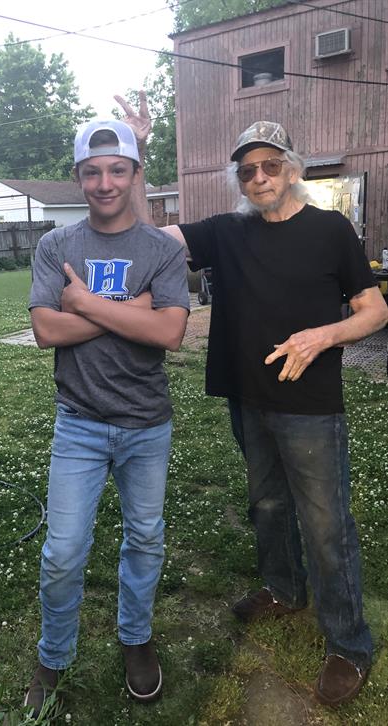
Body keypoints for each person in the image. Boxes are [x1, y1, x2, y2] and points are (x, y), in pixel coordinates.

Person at [118, 96, 388, 708]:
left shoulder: (330, 230)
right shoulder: (227, 231)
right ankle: (284, 590)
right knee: (268, 505)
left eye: (270, 165)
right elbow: (146, 236)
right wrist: (137, 149)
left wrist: (322, 335)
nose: (259, 178)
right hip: (248, 397)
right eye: (247, 171)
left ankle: (349, 645)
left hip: (311, 405)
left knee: (326, 525)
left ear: (292, 169)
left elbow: (374, 310)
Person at [24, 118, 190, 717]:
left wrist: (85, 303)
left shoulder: (163, 249)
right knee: (63, 551)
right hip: (80, 422)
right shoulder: (56, 246)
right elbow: (46, 330)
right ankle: (54, 654)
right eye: (92, 172)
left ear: (134, 173)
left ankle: (136, 638)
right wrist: (130, 309)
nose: (104, 182)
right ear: (78, 177)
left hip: (147, 424)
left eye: (117, 170)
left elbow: (169, 333)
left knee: (144, 538)